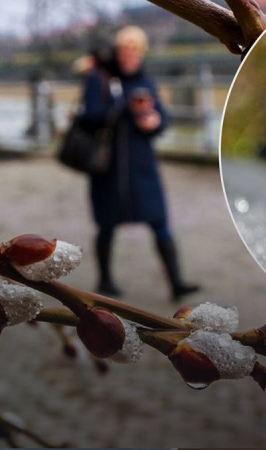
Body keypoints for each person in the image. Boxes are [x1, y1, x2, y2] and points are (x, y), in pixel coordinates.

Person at [80, 26, 200, 301]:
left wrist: (154, 122)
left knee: (160, 222)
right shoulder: (99, 78)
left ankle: (176, 282)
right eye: (125, 50)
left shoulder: (145, 80)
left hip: (142, 166)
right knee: (106, 225)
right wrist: (125, 107)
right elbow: (90, 117)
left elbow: (162, 118)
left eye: (136, 50)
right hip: (107, 168)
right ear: (117, 51)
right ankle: (105, 280)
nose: (130, 56)